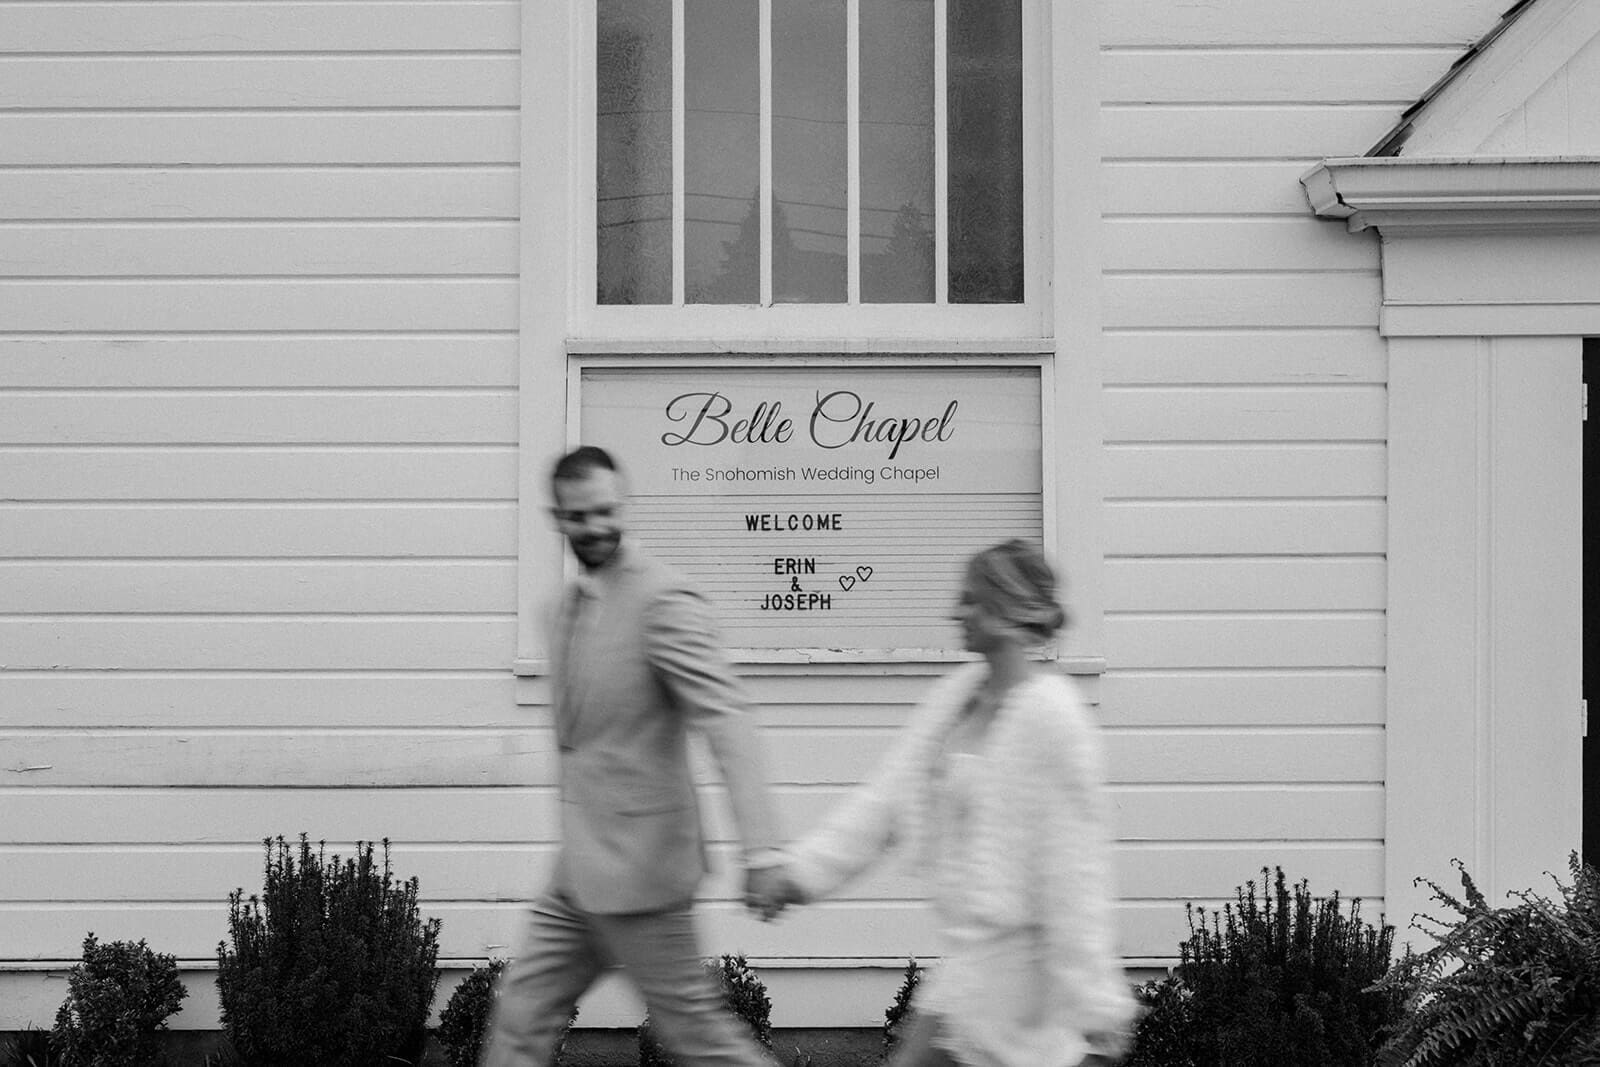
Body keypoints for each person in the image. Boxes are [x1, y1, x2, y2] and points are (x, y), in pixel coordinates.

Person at [751, 540, 1135, 1066]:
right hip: (968, 972)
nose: (956, 611)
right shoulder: (956, 698)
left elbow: (1077, 873)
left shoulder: (1055, 720)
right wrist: (798, 874)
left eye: (970, 600)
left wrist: (1095, 1010)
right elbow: (884, 803)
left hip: (1028, 989)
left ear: (1006, 610)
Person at [481, 445, 786, 1067]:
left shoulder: (665, 602)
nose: (595, 527)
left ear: (623, 506)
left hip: (645, 872)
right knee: (518, 1017)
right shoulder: (560, 611)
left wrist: (763, 852)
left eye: (605, 511)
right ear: (557, 519)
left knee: (697, 1036)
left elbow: (726, 720)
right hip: (578, 873)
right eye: (579, 516)